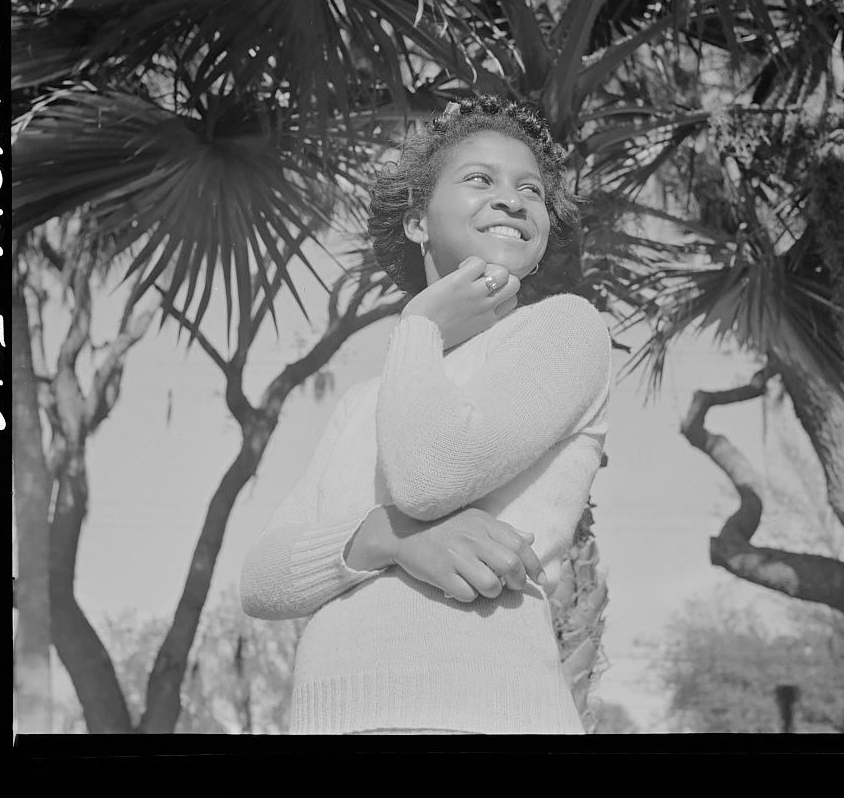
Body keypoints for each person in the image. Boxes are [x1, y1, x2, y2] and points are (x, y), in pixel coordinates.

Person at [240, 95, 612, 734]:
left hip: (475, 712)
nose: (512, 199)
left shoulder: (564, 330)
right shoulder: (368, 401)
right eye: (479, 179)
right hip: (328, 722)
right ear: (417, 222)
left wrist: (417, 326)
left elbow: (431, 477)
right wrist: (385, 536)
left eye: (531, 190)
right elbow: (263, 577)